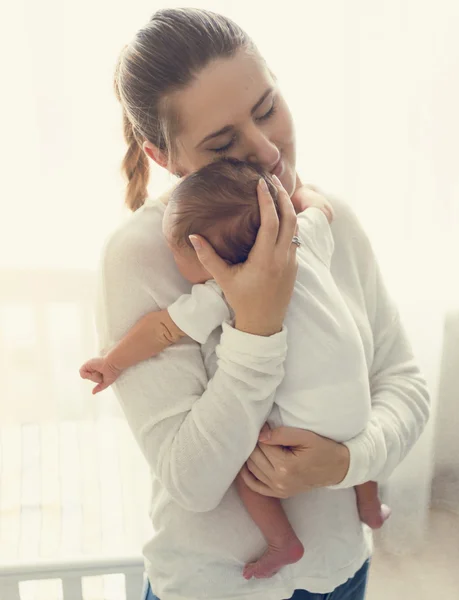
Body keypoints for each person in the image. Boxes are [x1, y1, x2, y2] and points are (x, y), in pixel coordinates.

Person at [97, 8, 430, 600]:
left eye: (267, 109)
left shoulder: (331, 221)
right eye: (222, 145)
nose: (266, 152)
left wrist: (348, 464)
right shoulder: (143, 259)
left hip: (343, 572)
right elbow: (192, 483)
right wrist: (257, 327)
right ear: (163, 158)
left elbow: (402, 383)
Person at [81, 158, 391, 580]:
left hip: (304, 431)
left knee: (242, 460)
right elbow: (322, 209)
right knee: (353, 432)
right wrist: (298, 194)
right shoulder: (305, 240)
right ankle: (369, 503)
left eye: (177, 251)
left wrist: (113, 362)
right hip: (358, 415)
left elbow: (162, 331)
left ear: (208, 258)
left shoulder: (224, 291)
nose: (173, 262)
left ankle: (283, 541)